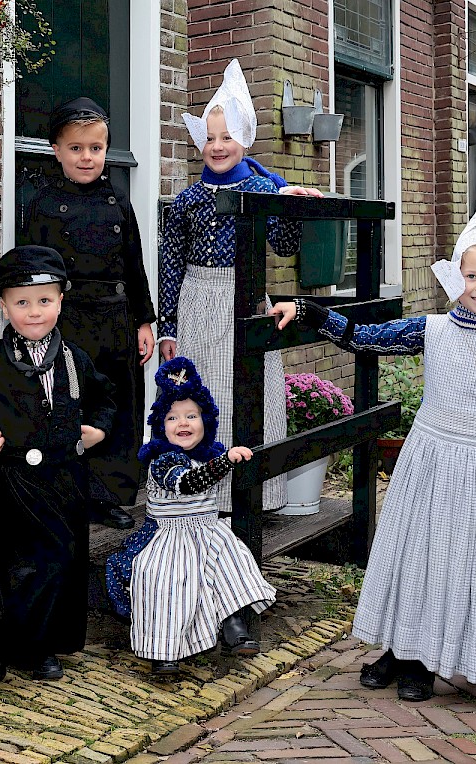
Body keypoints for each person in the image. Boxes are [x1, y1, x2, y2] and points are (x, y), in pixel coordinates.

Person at [270, 181, 476, 701]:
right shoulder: (433, 330)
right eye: (472, 275)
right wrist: (309, 310)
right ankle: (399, 648)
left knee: (457, 561)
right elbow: (365, 338)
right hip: (428, 458)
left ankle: (427, 659)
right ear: (456, 277)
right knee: (414, 553)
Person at [159, 58, 323, 515]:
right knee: (199, 393)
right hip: (197, 302)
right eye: (210, 138)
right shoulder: (187, 201)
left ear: (245, 139)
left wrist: (287, 204)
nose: (217, 146)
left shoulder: (262, 189)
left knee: (248, 392)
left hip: (245, 300)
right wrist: (168, 325)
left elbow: (284, 246)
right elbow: (171, 265)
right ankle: (198, 494)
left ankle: (248, 495)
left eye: (227, 137)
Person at [0, 245, 116, 682]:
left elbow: (105, 397)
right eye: (21, 302)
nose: (34, 312)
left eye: (44, 300)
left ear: (60, 301)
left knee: (62, 558)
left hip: (67, 475)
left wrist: (98, 428)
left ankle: (44, 643)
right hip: (18, 477)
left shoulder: (74, 358)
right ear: (4, 306)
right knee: (19, 562)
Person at [17, 96, 156, 531]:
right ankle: (66, 494)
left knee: (116, 405)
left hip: (116, 318)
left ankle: (109, 495)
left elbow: (134, 264)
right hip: (68, 319)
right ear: (56, 150)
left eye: (95, 148)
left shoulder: (118, 200)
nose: (86, 157)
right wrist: (34, 319)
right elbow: (31, 269)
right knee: (68, 404)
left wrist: (144, 321)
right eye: (76, 148)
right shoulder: (41, 203)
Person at [104, 357, 277, 675]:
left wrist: (223, 459)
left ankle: (233, 622)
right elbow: (187, 483)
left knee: (230, 558)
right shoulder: (163, 460)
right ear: (161, 426)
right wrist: (225, 461)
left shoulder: (207, 455)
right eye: (172, 418)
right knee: (166, 582)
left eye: (191, 416)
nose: (182, 423)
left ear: (205, 421)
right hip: (167, 538)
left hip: (207, 531)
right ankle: (163, 649)